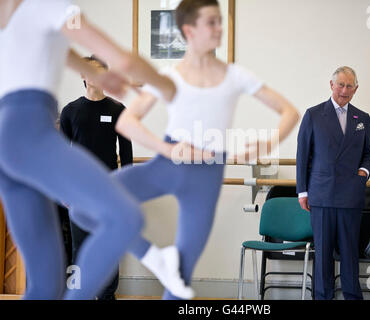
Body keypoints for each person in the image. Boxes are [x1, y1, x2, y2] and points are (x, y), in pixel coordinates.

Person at [70, 0, 299, 300]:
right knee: (81, 207)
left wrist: (267, 142)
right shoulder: (170, 77)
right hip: (165, 166)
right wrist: (168, 148)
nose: (219, 28)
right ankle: (154, 256)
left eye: (220, 21)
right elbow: (127, 122)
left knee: (180, 280)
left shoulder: (236, 76)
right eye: (212, 22)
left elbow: (289, 111)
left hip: (205, 179)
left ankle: (168, 267)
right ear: (189, 30)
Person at [0, 0, 199, 299]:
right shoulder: (49, 6)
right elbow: (124, 59)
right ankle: (159, 262)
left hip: (8, 144)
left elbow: (61, 51)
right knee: (125, 217)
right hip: (28, 132)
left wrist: (97, 74)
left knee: (45, 283)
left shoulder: (14, 13)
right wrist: (168, 86)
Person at [296, 66, 370, 300]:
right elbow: (303, 155)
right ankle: (322, 296)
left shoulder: (363, 118)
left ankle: (352, 296)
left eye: (350, 86)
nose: (344, 90)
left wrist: (362, 173)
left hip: (351, 195)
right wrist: (302, 191)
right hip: (321, 195)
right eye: (340, 84)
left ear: (356, 89)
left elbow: (368, 154)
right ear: (331, 85)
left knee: (350, 254)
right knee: (323, 254)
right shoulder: (313, 114)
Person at [60, 55, 134, 300]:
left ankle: (107, 296)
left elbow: (126, 153)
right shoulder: (70, 111)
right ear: (82, 76)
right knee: (80, 249)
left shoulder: (117, 110)